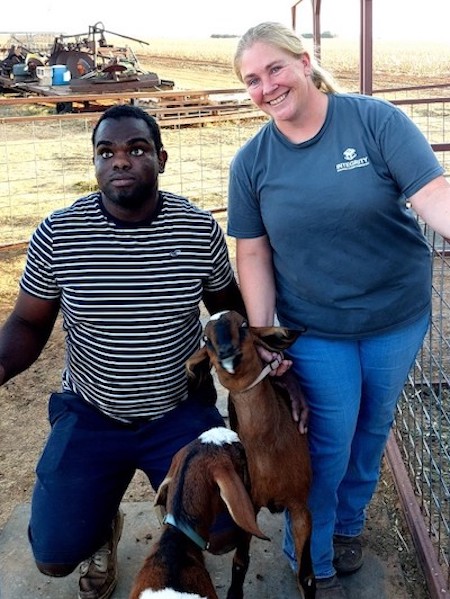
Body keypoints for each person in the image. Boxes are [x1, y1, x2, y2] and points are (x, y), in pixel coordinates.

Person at [227, 21, 450, 599]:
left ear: (303, 62)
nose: (267, 86)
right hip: (317, 328)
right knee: (327, 440)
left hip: (395, 318)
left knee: (373, 428)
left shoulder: (375, 122)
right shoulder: (252, 163)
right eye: (252, 80)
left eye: (275, 68)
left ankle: (349, 525)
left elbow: (432, 195)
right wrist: (265, 334)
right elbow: (251, 251)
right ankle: (312, 552)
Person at [0, 104, 256, 599]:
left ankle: (178, 539)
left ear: (160, 159)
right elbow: (27, 324)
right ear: (94, 163)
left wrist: (259, 375)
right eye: (106, 152)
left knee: (224, 533)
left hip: (178, 412)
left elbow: (229, 311)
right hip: (92, 412)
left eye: (136, 149)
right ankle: (102, 528)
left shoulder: (197, 229)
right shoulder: (59, 233)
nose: (120, 160)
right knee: (53, 555)